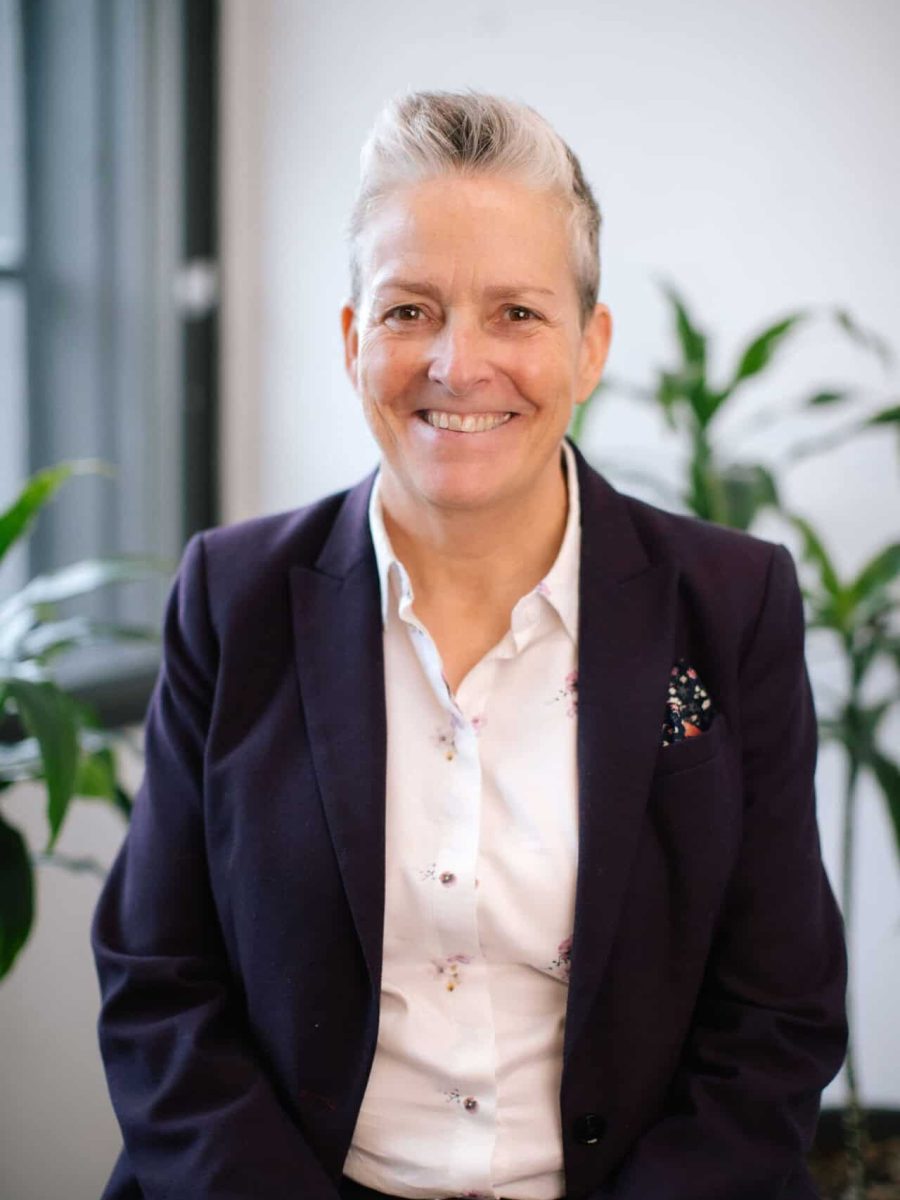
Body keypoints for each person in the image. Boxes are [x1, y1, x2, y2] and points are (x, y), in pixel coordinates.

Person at [92, 91, 848, 1200]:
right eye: (409, 311)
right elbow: (161, 989)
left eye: (517, 314)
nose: (458, 362)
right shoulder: (231, 598)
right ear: (354, 341)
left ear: (590, 348)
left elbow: (776, 1011)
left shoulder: (732, 602)